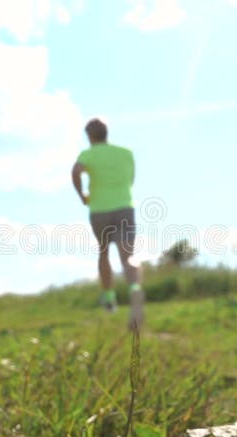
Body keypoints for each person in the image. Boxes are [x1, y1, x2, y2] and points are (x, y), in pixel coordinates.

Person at [72, 118, 145, 331]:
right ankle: (135, 288)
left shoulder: (88, 154)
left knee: (104, 252)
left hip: (99, 210)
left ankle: (110, 298)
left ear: (89, 136)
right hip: (124, 207)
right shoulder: (126, 153)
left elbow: (76, 171)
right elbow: (131, 181)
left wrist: (83, 195)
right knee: (128, 255)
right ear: (106, 132)